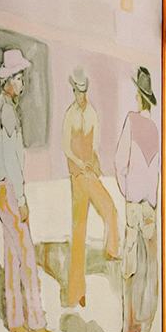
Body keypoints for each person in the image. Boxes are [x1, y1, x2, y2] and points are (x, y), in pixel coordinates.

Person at [0, 53, 54, 332]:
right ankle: (37, 323)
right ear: (8, 81)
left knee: (12, 257)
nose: (23, 84)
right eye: (19, 78)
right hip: (10, 192)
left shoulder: (3, 108)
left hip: (1, 191)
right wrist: (24, 198)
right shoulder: (6, 112)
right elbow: (12, 161)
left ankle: (15, 321)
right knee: (27, 258)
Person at [61, 67, 120, 307]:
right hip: (77, 176)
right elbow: (66, 146)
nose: (81, 96)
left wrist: (95, 165)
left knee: (110, 209)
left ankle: (112, 251)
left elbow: (94, 146)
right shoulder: (70, 115)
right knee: (79, 232)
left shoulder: (93, 113)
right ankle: (76, 292)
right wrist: (80, 163)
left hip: (90, 174)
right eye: (78, 91)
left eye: (83, 92)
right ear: (73, 91)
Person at [114, 67, 160, 332]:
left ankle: (128, 330)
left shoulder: (131, 121)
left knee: (129, 269)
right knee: (149, 269)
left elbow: (120, 162)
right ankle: (147, 328)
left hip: (134, 205)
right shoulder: (154, 127)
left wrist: (127, 188)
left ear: (139, 96)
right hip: (150, 208)